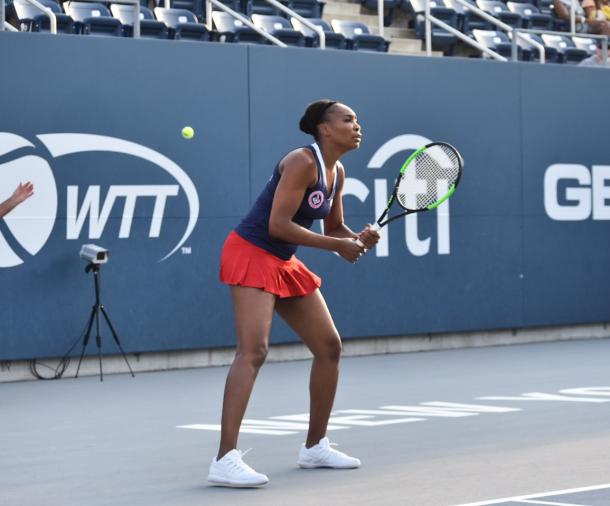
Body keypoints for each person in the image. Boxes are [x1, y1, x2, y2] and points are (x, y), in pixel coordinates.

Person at [207, 100, 380, 488]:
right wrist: (336, 246)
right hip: (251, 251)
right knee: (254, 350)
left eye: (357, 120)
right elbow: (278, 224)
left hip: (282, 261)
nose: (357, 126)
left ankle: (315, 446)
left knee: (329, 346)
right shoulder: (302, 162)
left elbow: (334, 227)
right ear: (324, 128)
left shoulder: (337, 172)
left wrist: (355, 238)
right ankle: (224, 458)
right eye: (348, 119)